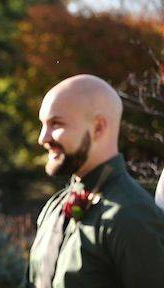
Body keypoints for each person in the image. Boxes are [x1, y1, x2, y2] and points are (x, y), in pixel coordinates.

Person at [27, 74, 164, 288]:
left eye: (56, 123)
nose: (43, 138)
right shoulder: (54, 207)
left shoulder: (132, 217)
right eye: (43, 124)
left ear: (99, 127)